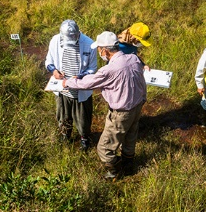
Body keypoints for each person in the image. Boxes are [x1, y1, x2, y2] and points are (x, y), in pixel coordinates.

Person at [63, 31, 147, 179]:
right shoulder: (133, 59)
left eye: (99, 50)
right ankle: (129, 166)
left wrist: (67, 82)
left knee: (104, 148)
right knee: (130, 138)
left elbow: (88, 83)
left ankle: (115, 172)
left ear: (105, 50)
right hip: (136, 107)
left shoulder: (109, 69)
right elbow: (141, 80)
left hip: (120, 113)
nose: (99, 53)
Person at [44, 19, 97, 151]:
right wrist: (54, 71)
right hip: (62, 89)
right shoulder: (55, 40)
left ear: (78, 34)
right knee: (63, 114)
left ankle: (84, 138)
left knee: (83, 118)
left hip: (80, 88)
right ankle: (65, 133)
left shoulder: (89, 44)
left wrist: (79, 77)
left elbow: (92, 68)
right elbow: (48, 61)